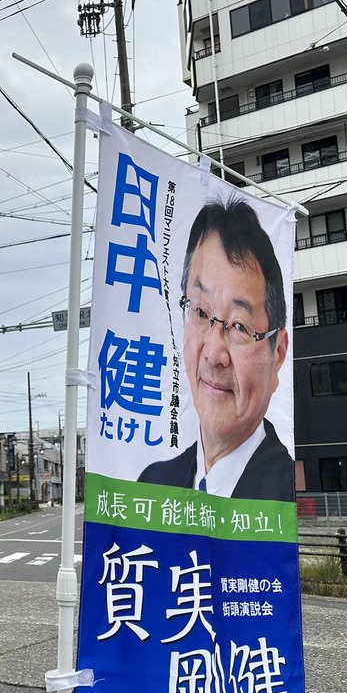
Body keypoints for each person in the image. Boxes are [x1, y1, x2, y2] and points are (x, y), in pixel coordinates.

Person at [139, 196, 293, 501]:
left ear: (277, 355)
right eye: (199, 312)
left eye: (239, 326)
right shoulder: (151, 486)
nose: (212, 354)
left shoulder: (286, 498)